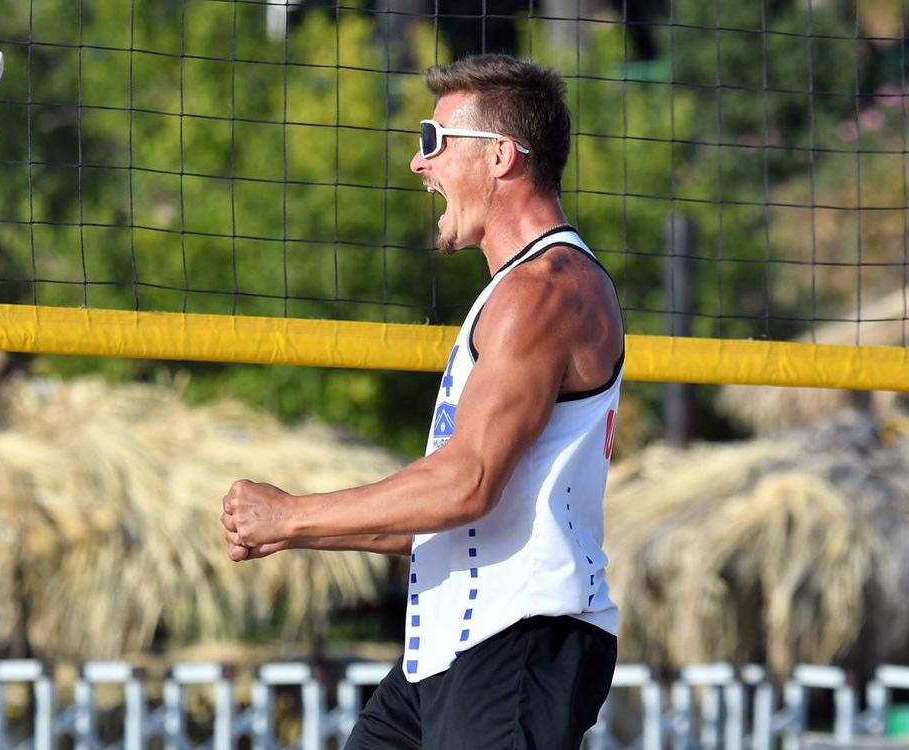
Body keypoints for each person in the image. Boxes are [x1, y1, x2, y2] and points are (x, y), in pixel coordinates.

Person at [220, 54, 624, 750]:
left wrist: (292, 513)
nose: (418, 162)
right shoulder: (514, 293)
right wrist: (292, 529)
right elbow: (443, 518)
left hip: (520, 644)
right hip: (449, 651)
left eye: (434, 141)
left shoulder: (545, 291)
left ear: (499, 156)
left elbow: (467, 484)